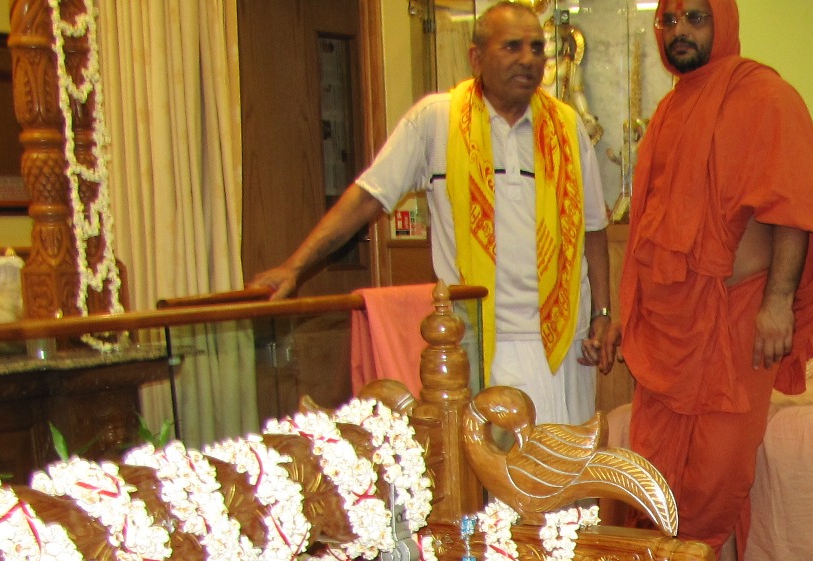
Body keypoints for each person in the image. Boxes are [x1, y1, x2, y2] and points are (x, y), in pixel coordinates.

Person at [248, 3, 617, 424]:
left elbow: (593, 229)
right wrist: (295, 267)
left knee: (564, 462)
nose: (528, 59)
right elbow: (368, 197)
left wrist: (602, 313)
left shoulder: (567, 127)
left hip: (563, 344)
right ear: (476, 57)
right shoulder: (436, 120)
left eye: (536, 48)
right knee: (491, 463)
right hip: (479, 341)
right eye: (512, 46)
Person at [619, 0, 813, 561]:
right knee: (658, 463)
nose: (679, 31)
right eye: (669, 20)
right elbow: (650, 225)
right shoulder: (669, 111)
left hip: (740, 311)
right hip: (672, 320)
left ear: (724, 22)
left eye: (695, 17)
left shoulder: (766, 96)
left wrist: (778, 301)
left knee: (718, 469)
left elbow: (795, 207)